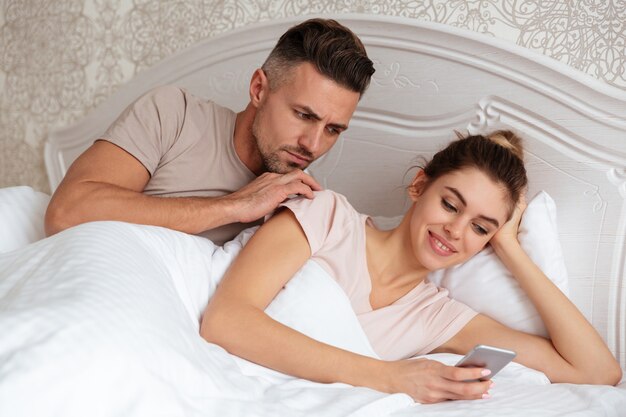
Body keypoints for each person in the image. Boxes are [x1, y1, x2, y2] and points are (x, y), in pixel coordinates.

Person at [199, 130, 622, 403]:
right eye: (450, 204)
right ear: (419, 185)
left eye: (479, 227)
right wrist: (392, 377)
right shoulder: (328, 218)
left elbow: (597, 373)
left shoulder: (438, 317)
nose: (456, 231)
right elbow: (226, 320)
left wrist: (510, 246)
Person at [44, 19, 375, 245]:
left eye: (333, 129)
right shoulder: (173, 114)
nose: (313, 145)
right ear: (259, 89)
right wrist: (233, 207)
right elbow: (67, 212)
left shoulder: (302, 204)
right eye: (303, 115)